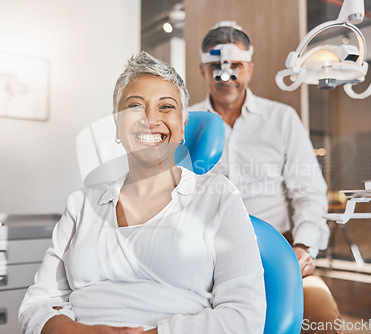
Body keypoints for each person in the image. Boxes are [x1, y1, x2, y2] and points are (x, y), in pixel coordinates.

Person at [18, 51, 266, 334]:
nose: (150, 119)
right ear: (116, 124)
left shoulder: (218, 196)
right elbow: (37, 305)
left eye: (166, 107)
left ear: (183, 125)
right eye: (135, 106)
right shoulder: (82, 203)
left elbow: (244, 316)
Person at [190, 21, 342, 333]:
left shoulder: (282, 119)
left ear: (250, 69)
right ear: (204, 71)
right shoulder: (186, 123)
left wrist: (303, 247)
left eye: (236, 65)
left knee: (323, 321)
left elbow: (309, 192)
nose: (226, 75)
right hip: (206, 257)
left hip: (279, 254)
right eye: (216, 66)